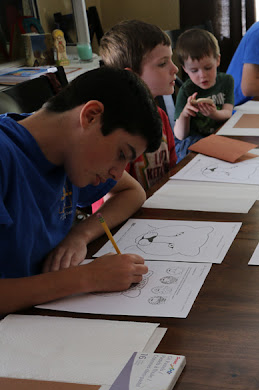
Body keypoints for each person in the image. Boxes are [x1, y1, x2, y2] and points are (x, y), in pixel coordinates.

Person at [0, 67, 162, 315]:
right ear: (91, 116)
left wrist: (80, 235)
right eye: (121, 154)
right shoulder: (6, 156)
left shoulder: (68, 151)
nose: (117, 173)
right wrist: (88, 277)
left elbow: (133, 192)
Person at [100, 20, 179, 189]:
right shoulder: (118, 131)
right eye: (163, 63)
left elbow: (172, 168)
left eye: (171, 60)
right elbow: (113, 193)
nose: (175, 69)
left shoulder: (160, 116)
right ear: (132, 77)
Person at [173, 28, 234, 157]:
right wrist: (185, 114)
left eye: (208, 68)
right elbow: (180, 135)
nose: (202, 75)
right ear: (185, 69)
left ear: (217, 60)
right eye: (194, 70)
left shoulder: (226, 81)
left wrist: (214, 114)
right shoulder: (186, 90)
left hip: (221, 135)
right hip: (194, 141)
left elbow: (228, 112)